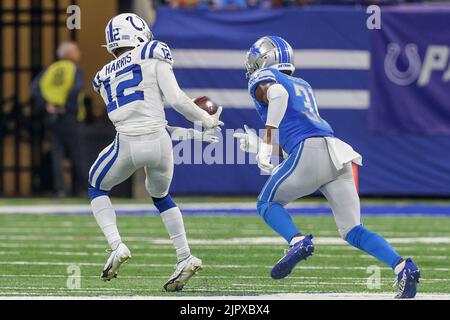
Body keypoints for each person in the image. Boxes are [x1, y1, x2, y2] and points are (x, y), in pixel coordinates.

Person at [233, 36, 420, 299]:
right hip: (334, 152)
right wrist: (260, 146)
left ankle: (297, 241)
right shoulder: (303, 84)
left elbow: (277, 94)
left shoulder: (267, 78)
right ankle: (403, 267)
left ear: (265, 60)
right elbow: (295, 138)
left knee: (266, 203)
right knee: (353, 230)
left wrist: (266, 141)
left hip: (310, 151)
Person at [89, 13, 223, 291]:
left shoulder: (101, 77)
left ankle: (116, 245)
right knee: (161, 195)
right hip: (160, 143)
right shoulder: (153, 51)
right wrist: (204, 121)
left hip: (126, 144)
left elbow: (137, 117)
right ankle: (184, 255)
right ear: (139, 33)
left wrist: (193, 129)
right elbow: (174, 101)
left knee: (96, 186)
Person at [31, 41, 86, 198]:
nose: (79, 53)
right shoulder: (74, 69)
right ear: (70, 54)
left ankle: (61, 189)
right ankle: (81, 190)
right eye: (77, 50)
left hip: (52, 116)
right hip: (69, 116)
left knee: (57, 154)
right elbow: (77, 88)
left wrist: (46, 104)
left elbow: (35, 87)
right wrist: (68, 106)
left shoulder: (50, 69)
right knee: (77, 154)